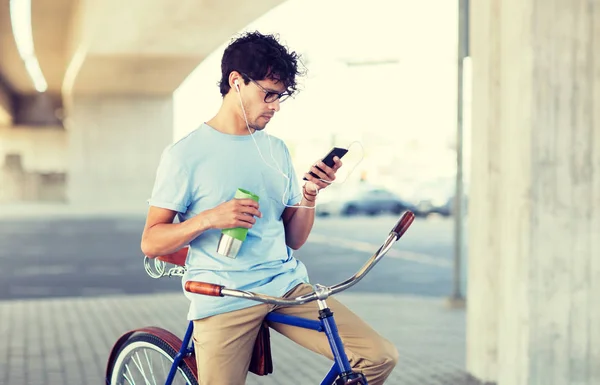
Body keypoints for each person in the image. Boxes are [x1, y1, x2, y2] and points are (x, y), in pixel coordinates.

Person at [141, 31, 398, 385]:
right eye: (269, 94)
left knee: (377, 356)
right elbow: (152, 242)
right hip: (224, 294)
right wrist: (210, 218)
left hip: (285, 287)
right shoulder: (184, 155)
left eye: (280, 97)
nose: (275, 106)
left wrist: (309, 194)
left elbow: (294, 238)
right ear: (236, 82)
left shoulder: (276, 149)